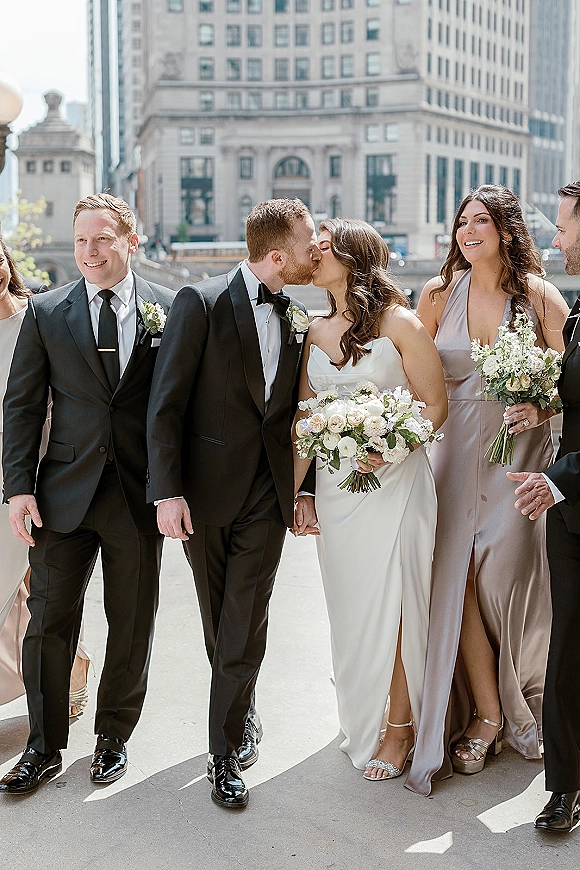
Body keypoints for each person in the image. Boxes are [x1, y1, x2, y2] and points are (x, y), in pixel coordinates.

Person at [146, 198, 320, 809]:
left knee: (245, 617)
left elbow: (301, 413)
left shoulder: (297, 316)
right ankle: (240, 707)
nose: (316, 248)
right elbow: (165, 404)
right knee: (218, 618)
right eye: (309, 240)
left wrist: (305, 488)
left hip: (266, 496)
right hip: (202, 494)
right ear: (278, 254)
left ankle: (224, 755)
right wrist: (166, 492)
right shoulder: (203, 301)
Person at [0, 194, 174, 795]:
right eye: (80, 241)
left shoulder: (170, 310)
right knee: (48, 623)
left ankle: (112, 739)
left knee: (131, 622)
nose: (90, 252)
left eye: (102, 239)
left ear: (131, 239)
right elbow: (21, 406)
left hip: (138, 495)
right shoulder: (47, 313)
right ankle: (43, 747)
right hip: (61, 495)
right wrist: (18, 487)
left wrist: (177, 491)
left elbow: (180, 409)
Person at [405, 185, 568, 796]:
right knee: (458, 578)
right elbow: (409, 370)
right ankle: (485, 714)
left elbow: (567, 386)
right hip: (450, 456)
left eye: (481, 221)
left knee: (505, 578)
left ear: (506, 230)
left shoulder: (539, 297)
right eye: (461, 222)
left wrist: (538, 403)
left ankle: (517, 697)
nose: (468, 231)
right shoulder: (438, 294)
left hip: (516, 463)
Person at [293, 218, 447, 780]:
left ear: (354, 258)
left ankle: (401, 729)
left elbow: (434, 406)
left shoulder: (400, 323)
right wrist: (300, 492)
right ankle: (364, 712)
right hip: (337, 493)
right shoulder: (311, 330)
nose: (314, 254)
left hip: (397, 482)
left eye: (325, 248)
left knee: (402, 603)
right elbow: (304, 421)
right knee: (351, 607)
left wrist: (392, 449)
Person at [509, 181, 580, 833]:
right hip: (571, 513)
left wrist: (558, 476)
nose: (556, 239)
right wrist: (546, 406)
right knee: (567, 651)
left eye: (564, 227)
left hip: (567, 489)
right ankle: (563, 787)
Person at [0, 240, 90, 716]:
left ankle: (72, 665)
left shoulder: (40, 316)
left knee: (42, 585)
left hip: (39, 465)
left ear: (7, 263)